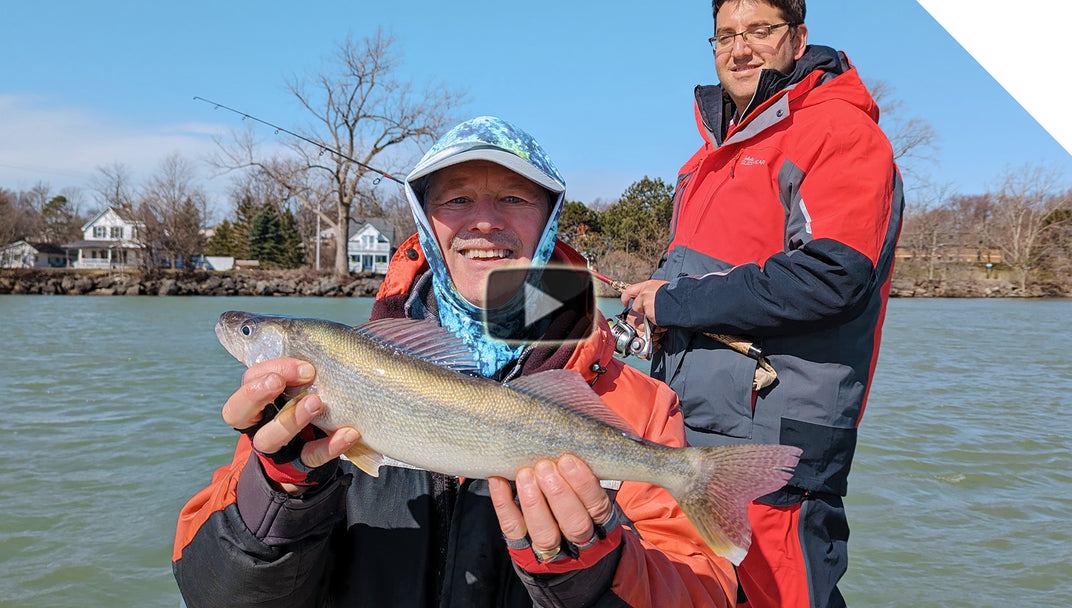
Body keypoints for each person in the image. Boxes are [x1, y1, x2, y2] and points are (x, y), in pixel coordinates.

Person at [172, 116, 740, 607]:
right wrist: (279, 494)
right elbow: (213, 594)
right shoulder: (300, 400)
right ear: (427, 221)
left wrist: (594, 574)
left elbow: (703, 592)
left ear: (549, 222)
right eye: (456, 198)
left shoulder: (641, 406)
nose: (484, 220)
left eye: (515, 198)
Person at [620, 2, 904, 607]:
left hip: (775, 449)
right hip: (687, 441)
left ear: (798, 39)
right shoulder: (702, 160)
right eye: (725, 35)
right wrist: (656, 308)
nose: (740, 48)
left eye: (759, 31)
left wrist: (675, 302)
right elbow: (710, 278)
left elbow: (833, 276)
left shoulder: (840, 132)